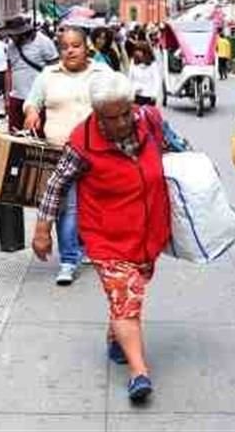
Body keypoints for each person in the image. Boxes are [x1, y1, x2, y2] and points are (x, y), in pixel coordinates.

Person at [32, 71, 171, 404]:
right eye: (115, 117)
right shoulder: (83, 143)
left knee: (130, 295)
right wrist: (42, 229)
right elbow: (56, 184)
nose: (125, 121)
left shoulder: (147, 120)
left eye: (127, 111)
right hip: (107, 237)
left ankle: (116, 339)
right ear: (97, 115)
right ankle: (140, 373)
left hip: (148, 232)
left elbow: (177, 148)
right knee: (126, 300)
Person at [24, 26, 111, 284]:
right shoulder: (48, 75)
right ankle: (68, 259)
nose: (70, 50)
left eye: (76, 45)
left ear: (87, 48)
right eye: (64, 46)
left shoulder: (102, 73)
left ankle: (88, 246)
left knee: (93, 204)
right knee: (68, 207)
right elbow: (32, 101)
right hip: (61, 152)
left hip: (97, 152)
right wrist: (31, 112)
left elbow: (119, 99)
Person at [4, 16, 59, 131]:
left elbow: (54, 68)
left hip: (37, 98)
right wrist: (7, 95)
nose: (10, 37)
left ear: (22, 33)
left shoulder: (43, 42)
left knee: (36, 134)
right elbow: (9, 70)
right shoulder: (11, 46)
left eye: (12, 34)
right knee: (14, 134)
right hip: (16, 96)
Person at [128, 42, 160, 106]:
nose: (137, 52)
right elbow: (130, 78)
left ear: (145, 52)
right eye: (136, 50)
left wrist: (154, 94)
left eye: (140, 50)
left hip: (148, 95)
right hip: (135, 94)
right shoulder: (133, 62)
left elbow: (156, 80)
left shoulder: (152, 64)